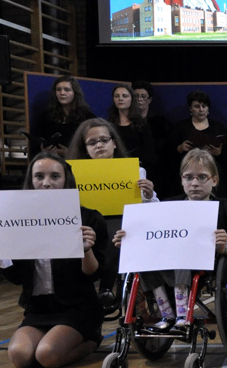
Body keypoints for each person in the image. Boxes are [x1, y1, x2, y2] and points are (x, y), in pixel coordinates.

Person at [0, 152, 107, 368]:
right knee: (19, 356)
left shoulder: (89, 218)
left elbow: (94, 275)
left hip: (78, 307)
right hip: (38, 309)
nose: (47, 183)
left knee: (47, 355)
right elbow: (16, 278)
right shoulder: (17, 219)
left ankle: (91, 340)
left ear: (66, 180)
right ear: (31, 180)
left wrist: (86, 250)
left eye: (55, 176)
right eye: (39, 176)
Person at [113, 149, 227, 328]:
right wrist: (129, 242)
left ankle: (182, 312)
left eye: (202, 177)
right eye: (189, 177)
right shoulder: (168, 206)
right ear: (182, 180)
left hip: (208, 265)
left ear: (214, 180)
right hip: (167, 264)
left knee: (183, 251)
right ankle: (167, 313)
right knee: (143, 258)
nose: (194, 183)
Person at [67, 118, 159, 307]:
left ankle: (106, 288)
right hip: (89, 222)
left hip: (123, 221)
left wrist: (148, 195)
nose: (99, 145)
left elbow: (153, 208)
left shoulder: (135, 171)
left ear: (114, 143)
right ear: (85, 149)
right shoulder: (74, 175)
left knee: (116, 231)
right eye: (92, 142)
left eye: (104, 140)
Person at [32, 76, 95, 155]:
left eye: (67, 89)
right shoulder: (45, 118)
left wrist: (69, 153)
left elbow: (94, 147)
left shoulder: (88, 118)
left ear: (75, 93)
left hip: (78, 161)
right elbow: (37, 144)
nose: (62, 93)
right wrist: (44, 150)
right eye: (58, 90)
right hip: (51, 159)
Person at [106, 83, 155, 171]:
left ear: (132, 99)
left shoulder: (141, 125)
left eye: (124, 96)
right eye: (117, 96)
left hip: (137, 168)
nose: (120, 99)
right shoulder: (109, 125)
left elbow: (149, 153)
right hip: (114, 168)